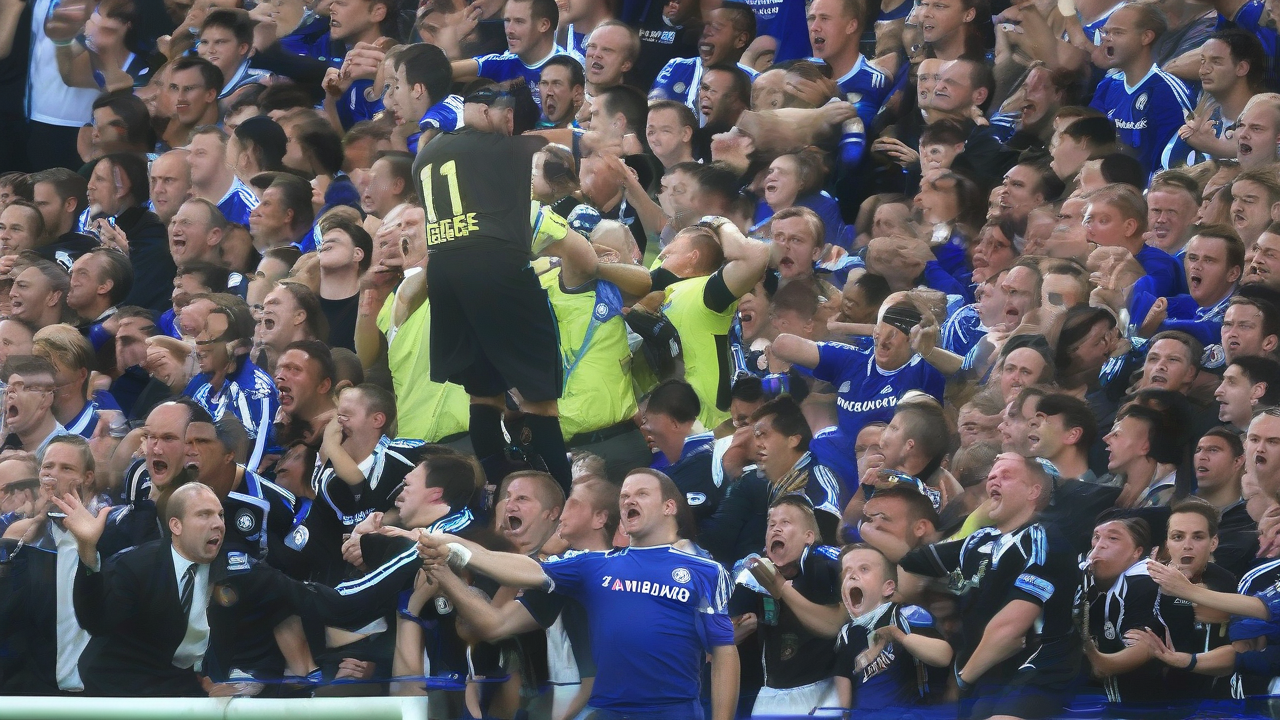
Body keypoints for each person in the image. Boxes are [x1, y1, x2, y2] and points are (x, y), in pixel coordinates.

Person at [416, 467, 740, 720]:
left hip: (672, 710)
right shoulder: (592, 565)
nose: (629, 500)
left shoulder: (705, 571)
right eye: (624, 496)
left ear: (669, 506)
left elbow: (724, 653)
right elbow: (523, 569)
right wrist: (453, 548)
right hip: (607, 710)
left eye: (642, 494)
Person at [898, 453, 1080, 720]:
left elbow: (1009, 630)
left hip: (1033, 672)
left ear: (1033, 491)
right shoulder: (981, 539)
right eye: (992, 475)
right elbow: (908, 560)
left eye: (1006, 475)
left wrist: (961, 679)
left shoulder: (1042, 538)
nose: (993, 479)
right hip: (985, 676)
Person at [729, 496, 842, 715]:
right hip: (772, 696)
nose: (776, 529)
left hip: (825, 692)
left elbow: (832, 626)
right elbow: (725, 633)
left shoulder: (827, 567)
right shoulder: (752, 576)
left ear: (809, 537)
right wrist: (736, 629)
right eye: (771, 524)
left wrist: (780, 587)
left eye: (785, 523)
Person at [1089, 3, 1194, 173]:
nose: (1106, 38)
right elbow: (1090, 140)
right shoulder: (1107, 85)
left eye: (1117, 32)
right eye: (1105, 32)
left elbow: (1173, 162)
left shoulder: (1167, 91)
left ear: (1146, 37)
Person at [182, 302, 279, 472]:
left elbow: (250, 466)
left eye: (210, 334)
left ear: (238, 346)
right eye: (201, 331)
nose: (199, 340)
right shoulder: (203, 383)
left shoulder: (255, 391)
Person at [186, 127, 260, 227]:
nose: (189, 159)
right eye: (189, 153)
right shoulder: (182, 201)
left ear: (227, 158)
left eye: (200, 153)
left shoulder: (248, 211)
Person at [272, 340, 337, 447]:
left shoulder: (346, 433)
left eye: (294, 369)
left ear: (323, 385)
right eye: (279, 369)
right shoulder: (279, 420)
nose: (280, 376)